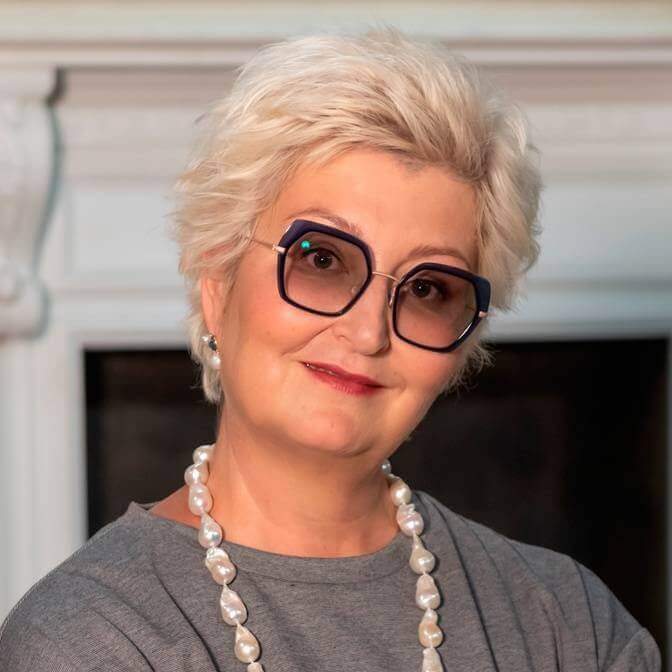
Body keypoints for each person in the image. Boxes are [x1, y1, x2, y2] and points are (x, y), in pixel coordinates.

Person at [0, 27, 661, 672]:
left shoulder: (570, 622)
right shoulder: (86, 639)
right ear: (217, 281)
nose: (369, 333)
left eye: (427, 288)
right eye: (322, 259)